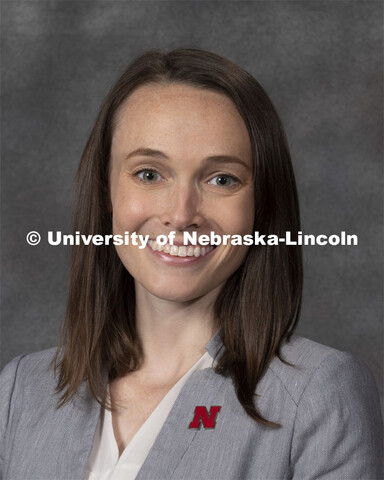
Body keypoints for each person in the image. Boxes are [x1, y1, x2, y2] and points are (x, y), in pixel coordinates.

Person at [0, 48, 382, 480]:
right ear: (106, 191)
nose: (181, 215)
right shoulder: (22, 390)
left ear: (262, 205)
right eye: (149, 174)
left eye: (222, 179)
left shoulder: (319, 393)